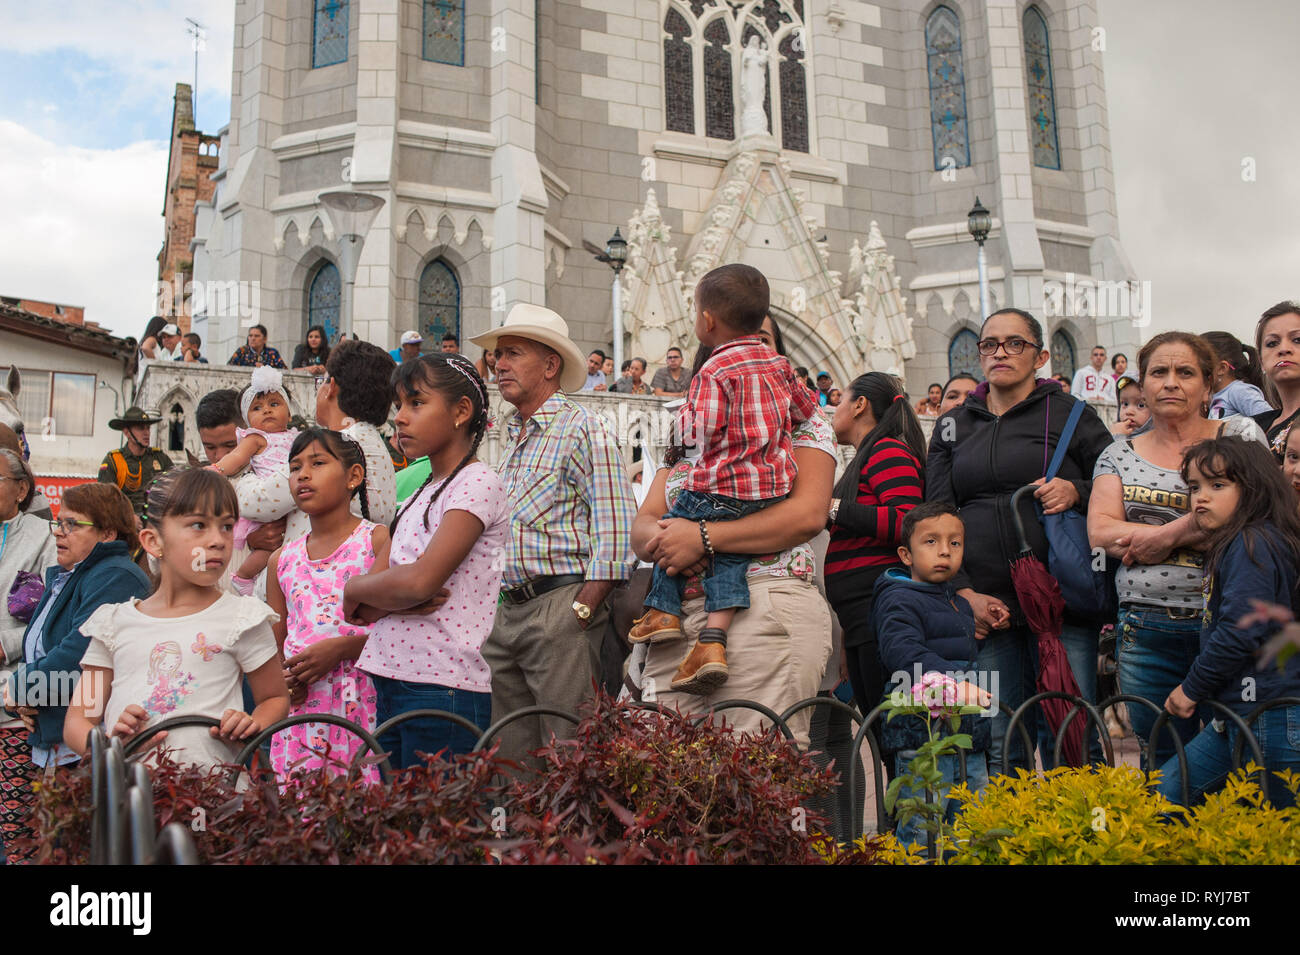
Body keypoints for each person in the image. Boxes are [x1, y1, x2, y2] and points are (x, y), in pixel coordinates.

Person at [631, 311, 834, 747]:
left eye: (760, 339)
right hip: (678, 622)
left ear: (778, 354)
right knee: (665, 774)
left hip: (764, 604)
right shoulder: (693, 427)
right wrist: (667, 541)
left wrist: (701, 537)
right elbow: (644, 522)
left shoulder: (805, 422)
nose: (748, 350)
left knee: (754, 775)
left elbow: (807, 516)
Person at [927, 308, 1114, 772]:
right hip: (989, 602)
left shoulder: (1073, 415)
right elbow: (935, 516)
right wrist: (965, 592)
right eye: (989, 344)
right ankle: (1011, 843)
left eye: (1015, 344)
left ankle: (1082, 838)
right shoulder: (954, 424)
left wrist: (1077, 491)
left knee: (1070, 731)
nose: (1000, 353)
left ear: (1041, 356)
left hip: (1059, 600)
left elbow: (1119, 485)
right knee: (999, 739)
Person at [1088, 331, 1267, 768]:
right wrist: (1206, 524)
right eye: (1158, 372)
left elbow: (1257, 516)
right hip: (1146, 629)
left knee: (1238, 753)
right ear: (1143, 385)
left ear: (1207, 386)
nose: (1170, 382)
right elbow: (1101, 534)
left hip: (1231, 623)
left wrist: (1163, 536)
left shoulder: (1238, 433)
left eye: (1185, 372)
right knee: (1163, 757)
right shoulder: (1118, 454)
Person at [469, 304, 635, 763]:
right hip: (508, 612)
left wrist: (580, 610)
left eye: (512, 353)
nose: (498, 365)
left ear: (549, 364)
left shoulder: (585, 429)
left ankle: (571, 838)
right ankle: (525, 836)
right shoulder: (514, 436)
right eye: (497, 356)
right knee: (513, 759)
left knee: (568, 755)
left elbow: (618, 532)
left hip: (559, 607)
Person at [63, 469, 289, 770]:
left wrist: (250, 723)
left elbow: (275, 698)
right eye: (198, 525)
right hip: (130, 803)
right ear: (153, 541)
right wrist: (109, 746)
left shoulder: (243, 617)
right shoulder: (113, 624)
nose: (218, 540)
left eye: (226, 526)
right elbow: (79, 719)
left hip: (217, 803)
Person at [344, 356, 507, 765]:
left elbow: (419, 582)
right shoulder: (418, 493)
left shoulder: (477, 483)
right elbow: (362, 609)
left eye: (416, 404)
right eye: (399, 405)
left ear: (461, 412)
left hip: (442, 686)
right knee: (396, 822)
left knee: (435, 825)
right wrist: (369, 592)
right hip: (392, 678)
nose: (399, 418)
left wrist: (366, 589)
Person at [1, 483, 149, 861]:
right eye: (58, 523)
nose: (59, 533)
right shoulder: (73, 573)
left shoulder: (116, 575)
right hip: (55, 734)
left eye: (72, 525)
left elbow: (76, 653)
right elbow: (45, 648)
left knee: (64, 850)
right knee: (37, 846)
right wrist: (28, 696)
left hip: (84, 741)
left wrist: (20, 689)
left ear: (108, 533)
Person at [1156, 436, 1300, 806]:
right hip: (1237, 713)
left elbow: (1240, 628)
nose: (1200, 497)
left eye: (1217, 485)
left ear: (1252, 489)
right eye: (1194, 487)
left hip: (1272, 714)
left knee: (1278, 832)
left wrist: (1191, 688)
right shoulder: (1240, 541)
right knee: (1163, 798)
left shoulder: (1254, 542)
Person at [265, 429, 384, 784]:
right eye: (295, 466)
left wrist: (344, 648)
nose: (303, 474)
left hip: (361, 705)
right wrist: (285, 682)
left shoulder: (375, 540)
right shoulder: (280, 560)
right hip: (302, 714)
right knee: (303, 819)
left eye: (317, 463)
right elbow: (275, 643)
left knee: (359, 809)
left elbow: (398, 629)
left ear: (353, 476)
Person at [874, 502, 992, 846]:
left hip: (966, 735)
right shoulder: (899, 599)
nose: (944, 550)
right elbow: (903, 654)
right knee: (925, 821)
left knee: (972, 819)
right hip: (921, 736)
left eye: (955, 543)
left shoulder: (956, 600)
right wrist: (957, 685)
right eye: (931, 542)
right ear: (906, 554)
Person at [825, 373, 925, 734]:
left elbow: (908, 522)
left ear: (860, 405)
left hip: (879, 609)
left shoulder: (888, 451)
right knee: (879, 731)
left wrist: (832, 508)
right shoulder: (866, 457)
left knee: (894, 734)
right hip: (860, 618)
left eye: (839, 400)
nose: (831, 411)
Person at [0, 449, 56, 860]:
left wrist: (5, 645)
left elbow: (51, 614)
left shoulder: (42, 537)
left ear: (21, 489)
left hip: (12, 701)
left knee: (15, 827)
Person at [212, 367, 300, 593]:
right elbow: (235, 458)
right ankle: (243, 577)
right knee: (267, 547)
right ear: (247, 420)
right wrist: (215, 469)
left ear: (289, 414)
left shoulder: (296, 437)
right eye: (257, 408)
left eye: (274, 404)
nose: (267, 411)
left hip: (291, 502)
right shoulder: (256, 438)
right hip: (265, 498)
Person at [315, 340, 398, 526]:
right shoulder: (374, 443)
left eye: (321, 381)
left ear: (331, 387)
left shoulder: (332, 446)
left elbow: (255, 502)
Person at [97, 407, 173, 520]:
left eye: (148, 428)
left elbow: (175, 488)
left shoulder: (160, 458)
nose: (146, 433)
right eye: (141, 428)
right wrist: (129, 518)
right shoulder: (113, 461)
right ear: (127, 432)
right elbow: (106, 500)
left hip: (156, 519)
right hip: (125, 523)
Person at [1253, 301, 1300, 459]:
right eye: (1272, 343)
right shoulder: (1251, 427)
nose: (1283, 349)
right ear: (1261, 361)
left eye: (1297, 340)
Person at [1200, 330, 1269, 421]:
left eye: (1200, 365)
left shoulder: (1239, 391)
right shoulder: (1216, 397)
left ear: (1222, 368)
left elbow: (1268, 419)